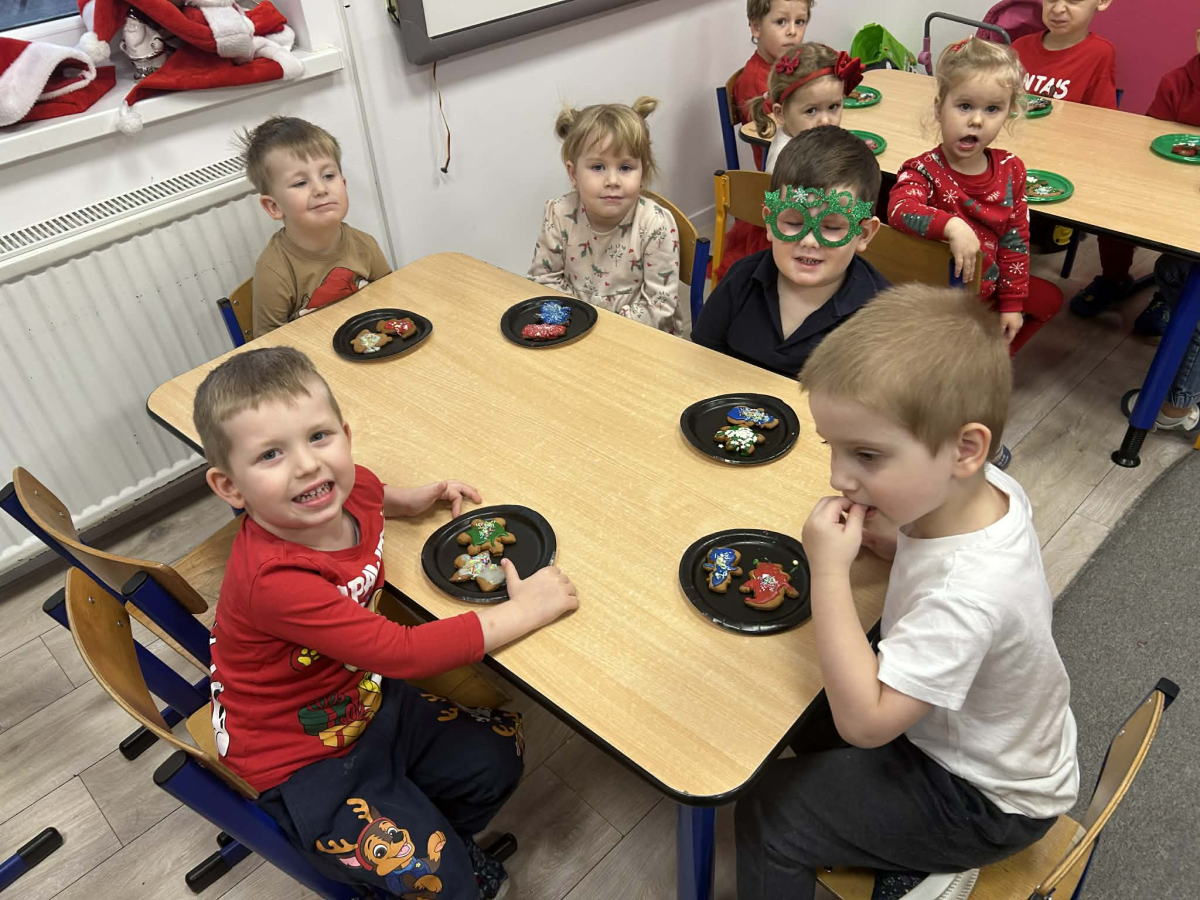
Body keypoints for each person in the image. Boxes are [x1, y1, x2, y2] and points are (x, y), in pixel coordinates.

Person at [193, 346, 578, 899]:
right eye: (271, 454)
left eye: (319, 437)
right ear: (230, 486)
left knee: (499, 755)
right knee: (442, 883)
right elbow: (404, 653)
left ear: (345, 436)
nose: (308, 465)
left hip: (366, 697)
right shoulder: (273, 579)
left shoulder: (345, 488)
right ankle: (434, 871)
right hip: (299, 759)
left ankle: (440, 835)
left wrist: (416, 500)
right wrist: (525, 610)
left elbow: (376, 496)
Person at [735, 284, 1079, 900]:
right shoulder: (985, 491)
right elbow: (945, 564)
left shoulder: (966, 596)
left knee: (771, 813)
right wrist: (896, 542)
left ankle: (925, 865)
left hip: (983, 798)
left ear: (965, 450)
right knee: (785, 707)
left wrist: (829, 572)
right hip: (980, 738)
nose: (839, 477)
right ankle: (897, 852)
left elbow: (866, 725)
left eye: (867, 454)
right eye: (835, 449)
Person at [888, 37, 1063, 466]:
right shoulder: (923, 170)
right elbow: (898, 209)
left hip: (984, 299)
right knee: (940, 382)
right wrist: (950, 225)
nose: (976, 121)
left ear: (1009, 113)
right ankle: (937, 434)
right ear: (939, 108)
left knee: (1045, 303)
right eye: (964, 106)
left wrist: (1012, 302)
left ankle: (976, 401)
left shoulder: (1011, 169)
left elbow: (1016, 240)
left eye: (992, 109)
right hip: (933, 308)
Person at [692, 126, 888, 377]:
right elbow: (701, 358)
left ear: (863, 234)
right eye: (794, 223)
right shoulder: (741, 280)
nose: (809, 240)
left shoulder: (881, 317)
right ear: (770, 222)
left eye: (831, 227)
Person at [1074, 27, 1200, 334]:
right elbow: (1151, 135)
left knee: (1185, 241)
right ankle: (1114, 278)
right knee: (1114, 206)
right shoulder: (1176, 81)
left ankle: (1169, 296)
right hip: (1166, 174)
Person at [1009, 1, 1131, 314]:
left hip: (1064, 159)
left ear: (1101, 2)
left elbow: (1101, 122)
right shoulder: (1020, 47)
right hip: (1016, 153)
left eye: (1073, 0)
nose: (1058, 9)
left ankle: (1115, 278)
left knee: (1113, 203)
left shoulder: (1099, 52)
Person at [527, 97, 682, 334]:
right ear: (573, 174)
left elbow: (659, 306)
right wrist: (576, 323)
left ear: (643, 173)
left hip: (640, 336)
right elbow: (543, 280)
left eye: (625, 168)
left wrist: (602, 332)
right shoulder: (559, 213)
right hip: (573, 328)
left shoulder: (656, 224)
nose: (612, 181)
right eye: (598, 167)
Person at [241, 117, 391, 338]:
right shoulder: (273, 272)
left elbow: (391, 298)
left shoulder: (364, 244)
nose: (320, 189)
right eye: (301, 183)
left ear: (343, 184)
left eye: (328, 176)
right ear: (274, 207)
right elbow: (269, 345)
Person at [749, 43, 855, 174]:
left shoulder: (810, 140)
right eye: (811, 110)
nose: (825, 121)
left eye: (833, 106)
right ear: (780, 114)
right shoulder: (787, 163)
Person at [734, 0, 813, 170]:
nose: (792, 31)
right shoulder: (753, 80)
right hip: (785, 170)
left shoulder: (797, 62)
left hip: (810, 153)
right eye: (781, 22)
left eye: (799, 22)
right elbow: (776, 135)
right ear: (757, 27)